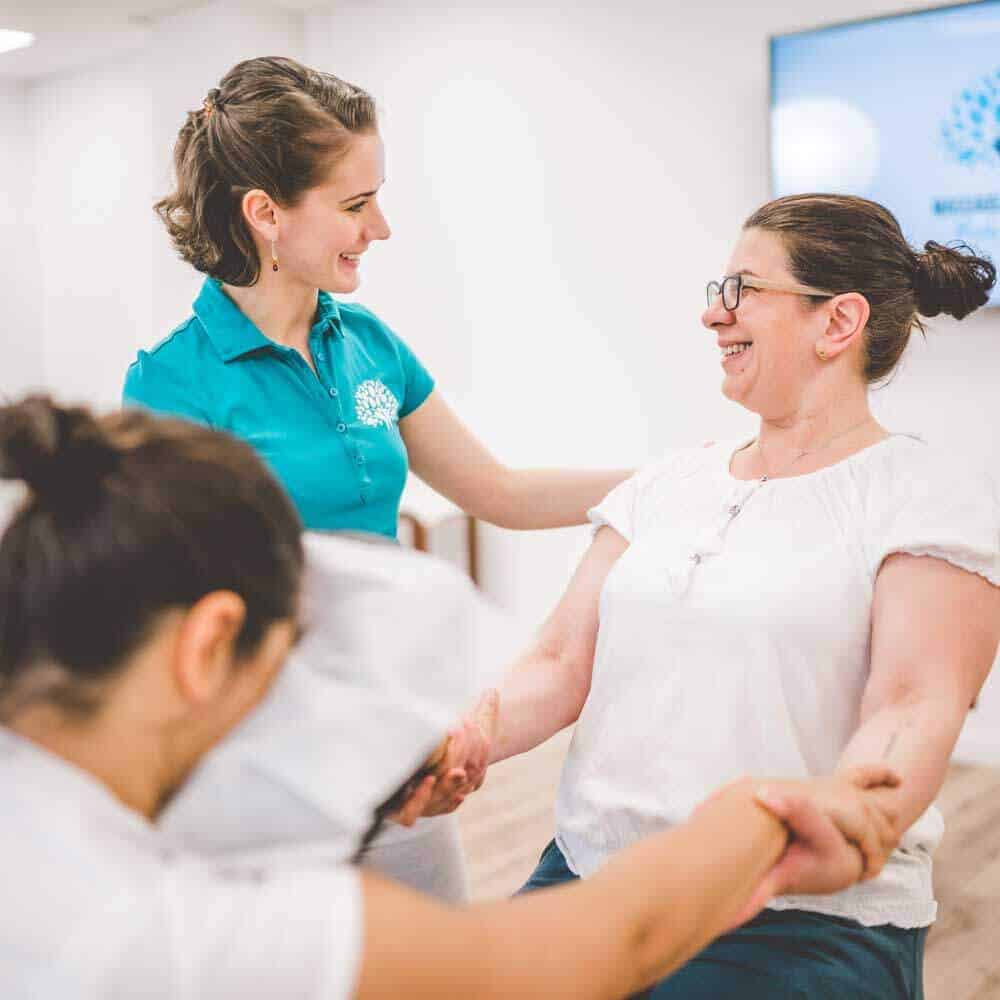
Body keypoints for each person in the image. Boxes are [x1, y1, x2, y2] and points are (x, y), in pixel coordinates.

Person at [0, 395, 899, 999]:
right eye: (276, 671)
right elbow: (594, 948)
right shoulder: (176, 932)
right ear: (205, 647)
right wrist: (758, 813)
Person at [462, 195, 1000, 999]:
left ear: (837, 322)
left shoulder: (923, 497)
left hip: (797, 912)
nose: (714, 315)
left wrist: (852, 817)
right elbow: (561, 659)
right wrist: (466, 737)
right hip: (594, 875)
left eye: (741, 290)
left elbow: (911, 704)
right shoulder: (667, 482)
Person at [123, 55, 630, 900]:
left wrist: (671, 481)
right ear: (265, 213)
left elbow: (498, 493)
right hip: (264, 769)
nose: (382, 228)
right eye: (356, 205)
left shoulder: (369, 344)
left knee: (437, 957)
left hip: (394, 742)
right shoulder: (172, 384)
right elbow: (175, 609)